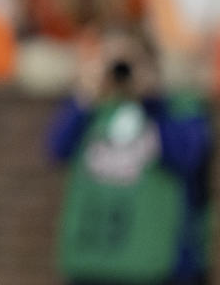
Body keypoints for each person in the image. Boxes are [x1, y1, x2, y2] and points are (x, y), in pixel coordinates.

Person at [47, 25, 212, 284]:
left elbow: (187, 156)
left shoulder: (178, 109)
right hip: (91, 265)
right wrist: (87, 93)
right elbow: (56, 149)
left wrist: (150, 98)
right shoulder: (91, 110)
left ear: (152, 64)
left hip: (159, 269)